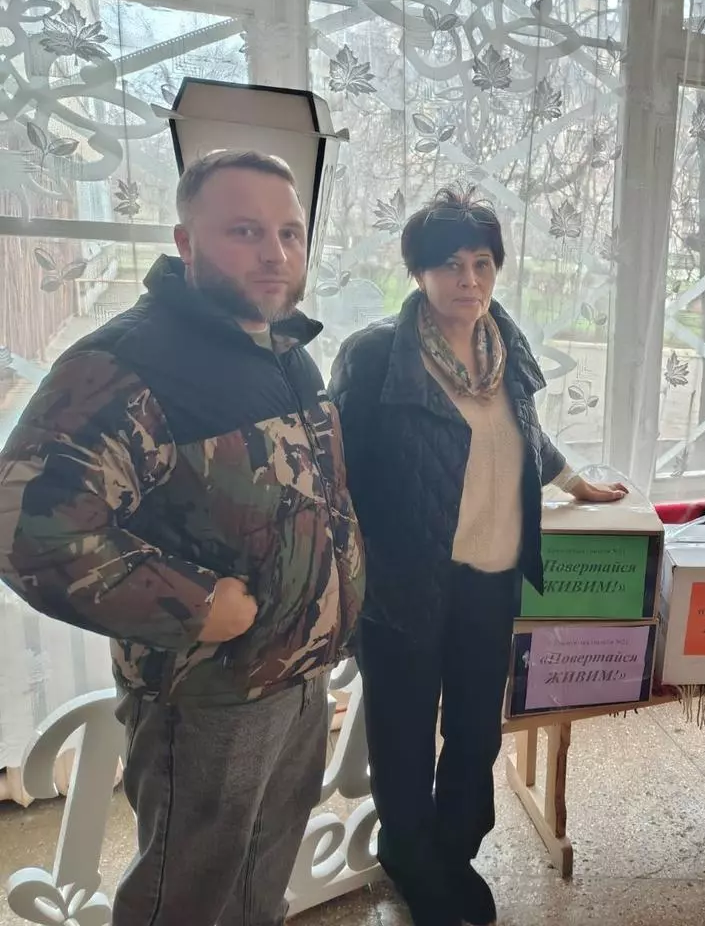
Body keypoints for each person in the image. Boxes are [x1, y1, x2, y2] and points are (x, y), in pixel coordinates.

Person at [0, 149, 364, 925]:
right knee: (187, 900)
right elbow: (25, 528)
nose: (275, 253)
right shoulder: (127, 364)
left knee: (260, 885)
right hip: (207, 698)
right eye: (245, 231)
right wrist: (196, 604)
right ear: (185, 242)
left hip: (298, 677)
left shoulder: (286, 350)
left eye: (290, 233)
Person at [328, 186, 628, 926]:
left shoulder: (504, 345)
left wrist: (576, 482)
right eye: (451, 265)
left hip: (491, 576)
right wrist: (346, 581)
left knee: (474, 728)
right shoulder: (375, 354)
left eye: (482, 263)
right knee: (402, 731)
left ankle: (455, 850)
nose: (469, 280)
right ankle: (409, 856)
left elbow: (523, 431)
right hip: (405, 583)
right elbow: (338, 475)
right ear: (419, 272)